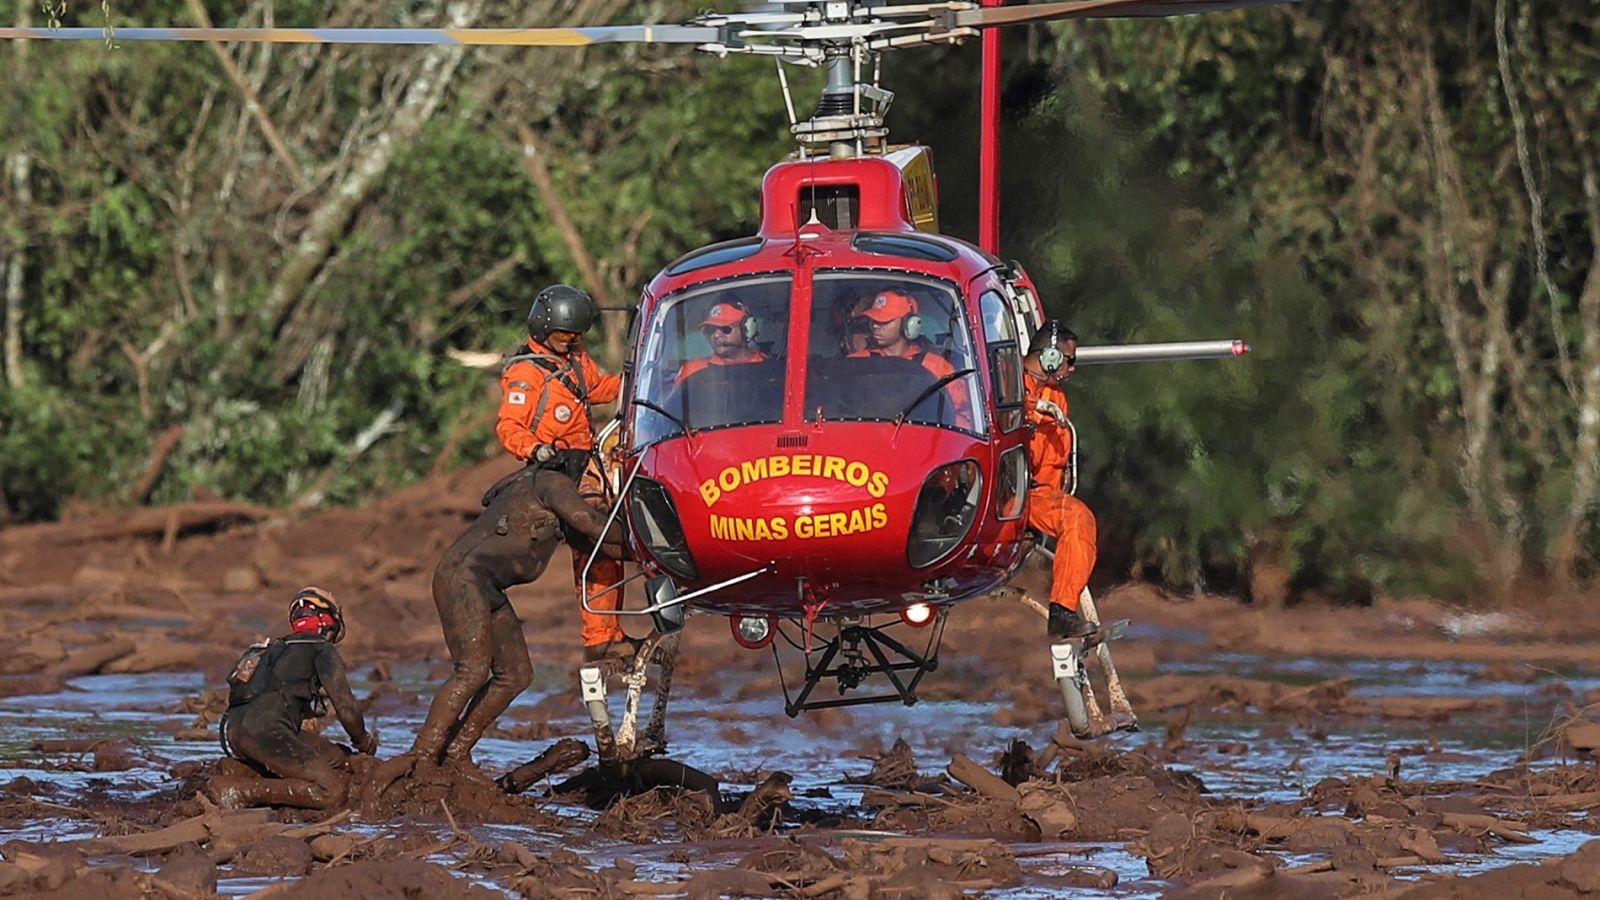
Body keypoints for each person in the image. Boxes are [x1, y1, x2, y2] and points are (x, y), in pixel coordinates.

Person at [408, 466, 626, 767]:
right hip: (464, 578)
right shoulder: (549, 480)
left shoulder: (546, 499)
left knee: (516, 676)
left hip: (487, 586)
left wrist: (656, 552)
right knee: (471, 671)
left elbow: (602, 542)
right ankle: (421, 756)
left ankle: (456, 752)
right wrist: (649, 538)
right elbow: (587, 520)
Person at [496, 284, 635, 663]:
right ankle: (598, 637)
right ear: (543, 329)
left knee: (609, 546)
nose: (569, 341)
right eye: (562, 335)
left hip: (585, 461)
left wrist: (644, 380)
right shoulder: (526, 373)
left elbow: (601, 388)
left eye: (576, 335)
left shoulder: (574, 359)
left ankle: (610, 632)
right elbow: (509, 427)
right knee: (595, 541)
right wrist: (535, 449)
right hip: (554, 470)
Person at [209, 588, 374, 810]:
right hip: (267, 732)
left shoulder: (269, 648)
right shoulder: (321, 648)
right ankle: (240, 791)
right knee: (332, 791)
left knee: (336, 758)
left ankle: (239, 770)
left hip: (233, 732)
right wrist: (362, 740)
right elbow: (346, 708)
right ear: (328, 623)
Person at [1023, 320, 1099, 639]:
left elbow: (1052, 465)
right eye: (1069, 360)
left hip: (1033, 499)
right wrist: (1033, 409)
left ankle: (1062, 611)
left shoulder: (1056, 398)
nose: (1071, 369)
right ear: (1050, 357)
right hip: (997, 495)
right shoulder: (1004, 383)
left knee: (1077, 519)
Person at [849, 289, 970, 425]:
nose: (876, 326)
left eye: (885, 321)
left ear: (909, 324)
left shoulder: (938, 368)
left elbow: (963, 418)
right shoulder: (855, 363)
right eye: (874, 321)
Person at [676, 297, 768, 383]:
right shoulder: (692, 371)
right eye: (711, 329)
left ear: (747, 329)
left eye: (725, 328)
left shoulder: (770, 366)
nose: (716, 335)